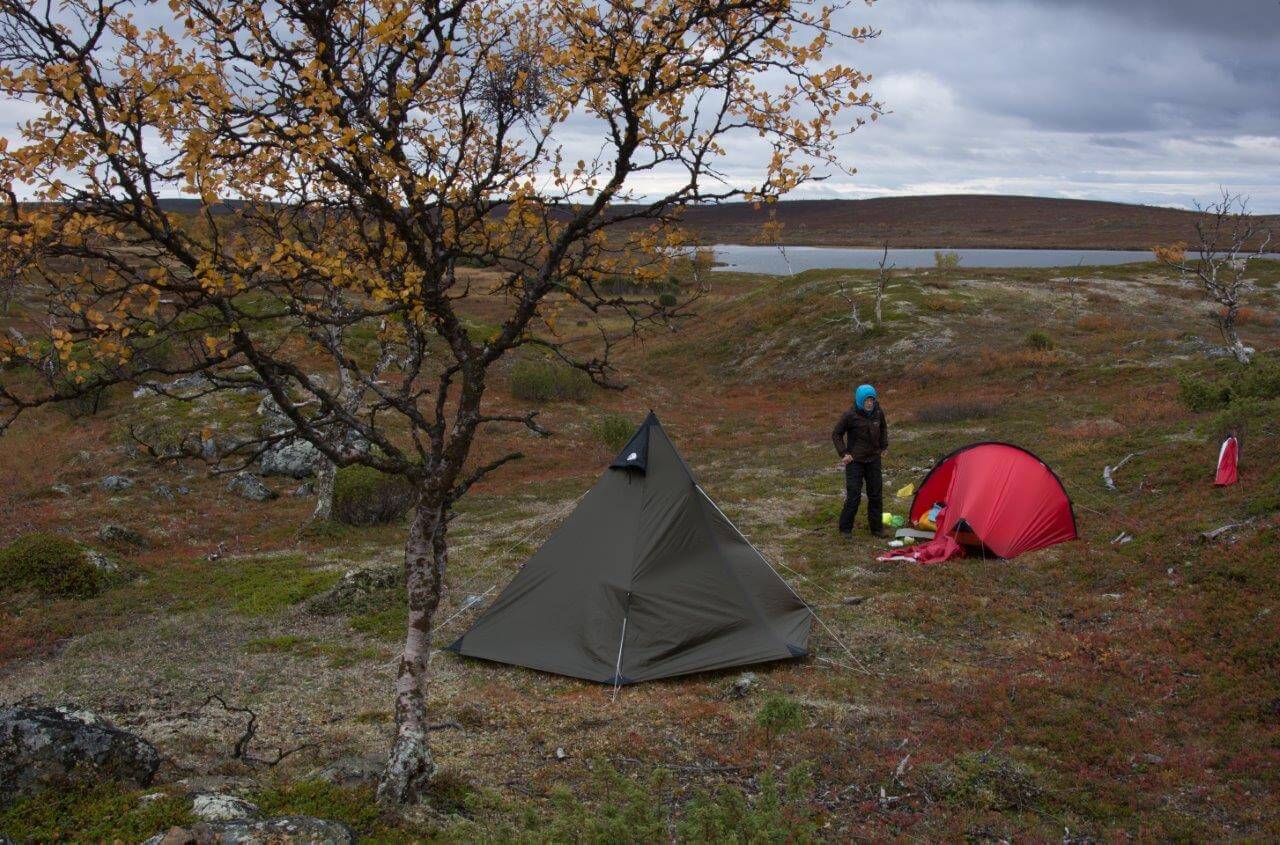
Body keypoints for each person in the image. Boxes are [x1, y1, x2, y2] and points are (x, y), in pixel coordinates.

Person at [831, 383, 888, 538]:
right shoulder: (850, 415)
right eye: (866, 400)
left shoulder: (878, 412)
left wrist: (884, 446)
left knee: (876, 495)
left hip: (874, 459)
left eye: (872, 399)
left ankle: (876, 529)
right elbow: (836, 434)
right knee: (854, 496)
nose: (870, 403)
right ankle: (845, 529)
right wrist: (844, 453)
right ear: (860, 400)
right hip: (855, 461)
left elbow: (883, 428)